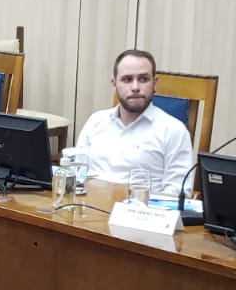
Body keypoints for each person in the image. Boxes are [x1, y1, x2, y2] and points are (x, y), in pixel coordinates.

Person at [74, 49, 194, 194]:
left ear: (155, 83)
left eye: (143, 79)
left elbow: (178, 192)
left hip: (141, 207)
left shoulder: (174, 131)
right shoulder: (96, 121)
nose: (135, 87)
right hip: (89, 204)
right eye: (127, 79)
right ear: (114, 84)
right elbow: (76, 173)